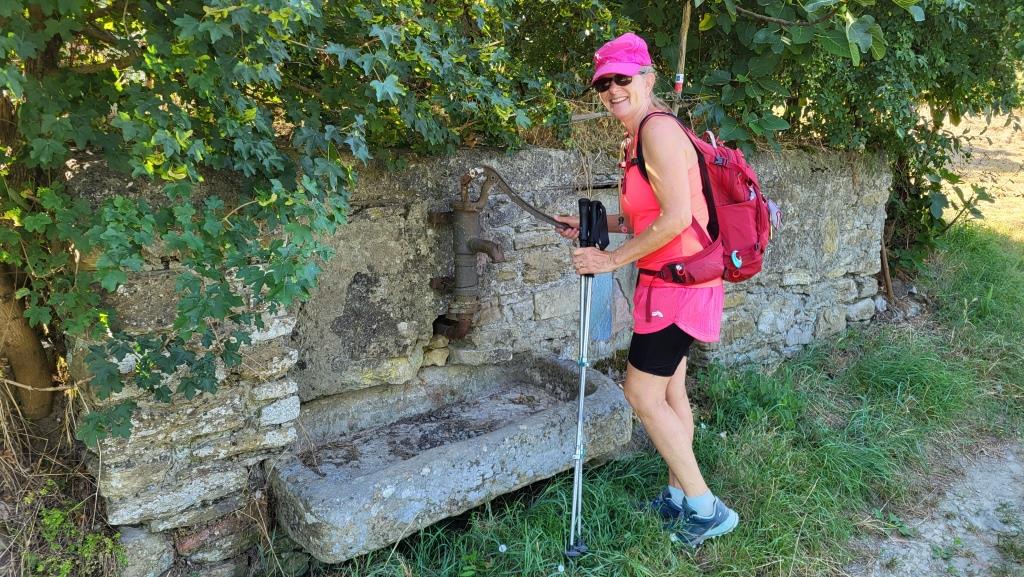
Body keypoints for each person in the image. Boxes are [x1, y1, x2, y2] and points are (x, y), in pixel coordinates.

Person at [553, 32, 738, 547]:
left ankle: (706, 509)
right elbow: (647, 218)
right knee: (670, 391)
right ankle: (679, 498)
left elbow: (677, 218)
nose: (612, 89)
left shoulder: (657, 131)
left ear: (649, 78)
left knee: (640, 393)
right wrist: (593, 224)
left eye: (622, 78)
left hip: (678, 285)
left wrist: (609, 259)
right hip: (669, 282)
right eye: (603, 83)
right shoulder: (638, 138)